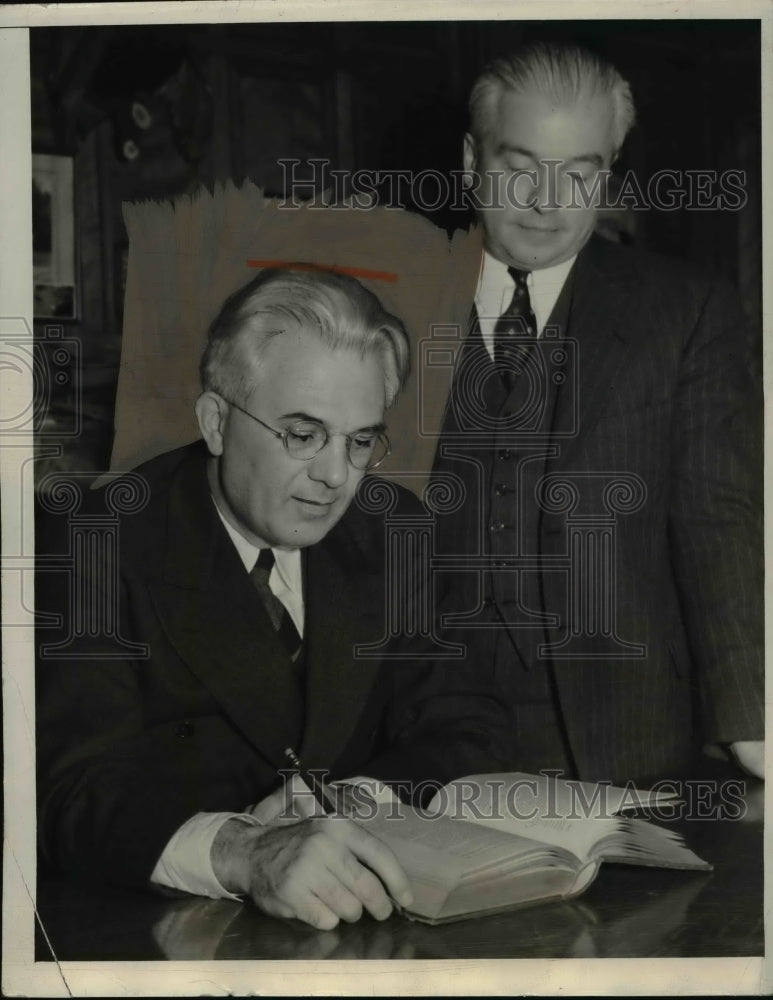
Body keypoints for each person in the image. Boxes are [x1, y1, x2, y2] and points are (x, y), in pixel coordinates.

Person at [36, 267, 514, 931]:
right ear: (216, 423)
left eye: (360, 441)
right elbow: (63, 791)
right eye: (302, 433)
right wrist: (245, 852)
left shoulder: (396, 534)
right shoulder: (94, 544)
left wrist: (355, 802)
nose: (335, 476)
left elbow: (468, 725)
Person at [430, 41, 763, 785]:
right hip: (415, 724)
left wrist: (751, 725)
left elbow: (718, 521)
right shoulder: (385, 296)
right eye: (519, 168)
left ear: (606, 176)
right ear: (468, 161)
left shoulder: (686, 311)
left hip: (624, 730)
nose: (548, 203)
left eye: (578, 174)